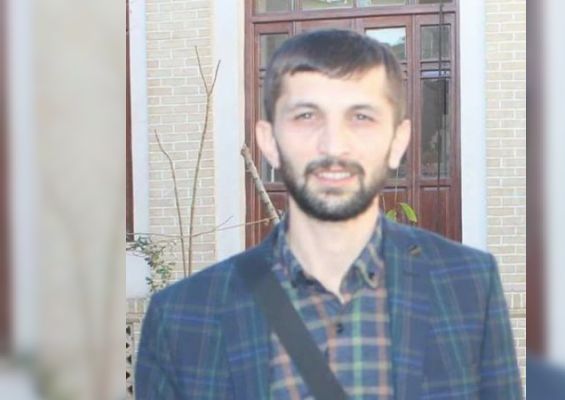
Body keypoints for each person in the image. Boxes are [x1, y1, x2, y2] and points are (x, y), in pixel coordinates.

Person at [136, 29, 522, 399]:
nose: (334, 145)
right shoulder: (183, 318)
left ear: (397, 141)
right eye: (306, 116)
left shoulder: (469, 287)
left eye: (361, 117)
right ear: (269, 142)